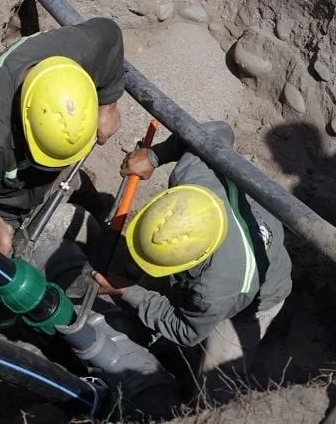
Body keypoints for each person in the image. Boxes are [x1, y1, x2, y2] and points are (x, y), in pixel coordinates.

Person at [0, 17, 125, 403]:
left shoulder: (72, 59)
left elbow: (111, 35)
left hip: (11, 171)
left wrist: (108, 102)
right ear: (24, 122)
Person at [93, 121, 292, 403]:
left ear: (196, 260)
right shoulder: (195, 172)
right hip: (243, 257)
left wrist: (126, 291)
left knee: (217, 390)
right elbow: (217, 130)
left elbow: (186, 329)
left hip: (258, 300)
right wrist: (153, 156)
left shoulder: (214, 288)